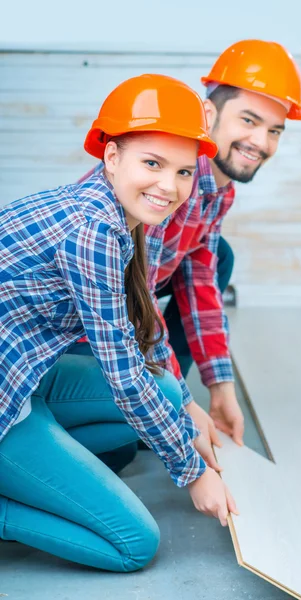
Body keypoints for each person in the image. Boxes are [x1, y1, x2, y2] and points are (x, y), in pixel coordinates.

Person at [0, 73, 237, 573]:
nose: (169, 187)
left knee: (170, 397)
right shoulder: (94, 231)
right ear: (111, 158)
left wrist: (189, 405)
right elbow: (125, 378)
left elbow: (138, 333)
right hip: (5, 399)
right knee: (133, 543)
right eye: (152, 164)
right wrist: (193, 473)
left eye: (183, 172)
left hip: (27, 371)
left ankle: (40, 465)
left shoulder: (121, 214)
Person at [75, 40, 301, 467]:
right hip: (81, 326)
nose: (261, 141)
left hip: (130, 301)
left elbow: (199, 282)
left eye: (275, 130)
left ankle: (161, 388)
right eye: (249, 120)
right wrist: (180, 404)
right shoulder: (165, 184)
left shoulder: (219, 191)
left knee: (218, 258)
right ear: (209, 115)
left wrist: (220, 387)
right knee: (118, 450)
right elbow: (135, 300)